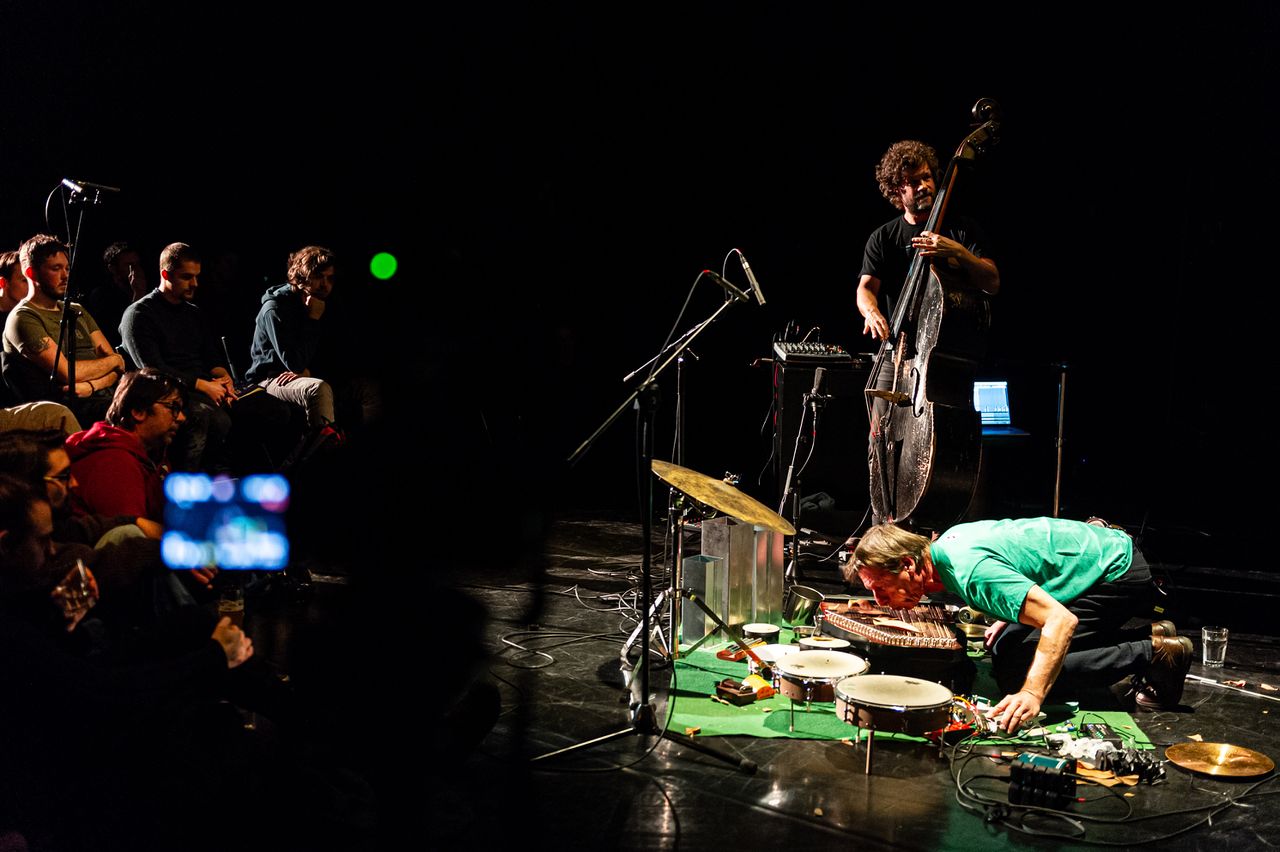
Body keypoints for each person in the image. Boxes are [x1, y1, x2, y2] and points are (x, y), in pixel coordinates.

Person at [848, 517, 1194, 733]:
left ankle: (1154, 652)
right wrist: (1009, 610)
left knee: (1020, 676)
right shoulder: (947, 546)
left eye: (881, 588)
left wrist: (1032, 694)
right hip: (1092, 561)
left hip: (1116, 572)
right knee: (1004, 648)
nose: (880, 600)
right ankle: (1151, 633)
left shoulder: (971, 572)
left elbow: (1061, 620)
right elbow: (1018, 566)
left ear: (908, 564)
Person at [856, 141, 1000, 525]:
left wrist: (958, 252)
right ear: (896, 191)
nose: (923, 185)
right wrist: (871, 311)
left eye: (926, 177)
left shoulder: (960, 229)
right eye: (912, 181)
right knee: (880, 441)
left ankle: (935, 526)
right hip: (896, 355)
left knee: (940, 444)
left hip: (940, 358)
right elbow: (865, 288)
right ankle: (882, 529)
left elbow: (992, 281)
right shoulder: (884, 237)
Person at [120, 242, 295, 472]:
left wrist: (225, 380)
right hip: (171, 390)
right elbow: (153, 369)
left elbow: (212, 358)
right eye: (186, 277)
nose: (194, 283)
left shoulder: (194, 313)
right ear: (165, 274)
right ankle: (193, 482)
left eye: (197, 276)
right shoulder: (139, 314)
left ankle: (253, 475)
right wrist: (204, 386)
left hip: (207, 386)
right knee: (212, 418)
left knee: (276, 410)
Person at [2, 234, 125, 424]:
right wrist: (113, 361)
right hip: (70, 410)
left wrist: (92, 385)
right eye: (56, 268)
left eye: (67, 268)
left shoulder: (76, 309)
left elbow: (119, 366)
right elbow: (68, 373)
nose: (65, 275)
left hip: (105, 396)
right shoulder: (23, 318)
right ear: (31, 273)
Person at [64, 368, 184, 522]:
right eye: (173, 408)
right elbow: (131, 533)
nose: (181, 418)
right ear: (138, 411)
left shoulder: (153, 454)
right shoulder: (113, 462)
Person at [245, 245, 338, 430]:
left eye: (330, 278)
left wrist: (308, 371)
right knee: (317, 389)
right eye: (319, 277)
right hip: (271, 380)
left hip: (303, 374)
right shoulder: (275, 308)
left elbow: (335, 353)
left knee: (366, 389)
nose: (325, 285)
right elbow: (294, 363)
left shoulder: (324, 303)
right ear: (302, 277)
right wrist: (313, 320)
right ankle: (324, 445)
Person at [82, 240, 150, 350]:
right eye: (129, 265)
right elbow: (118, 333)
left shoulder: (148, 290)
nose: (135, 269)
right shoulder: (102, 296)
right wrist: (138, 294)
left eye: (137, 264)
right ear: (112, 268)